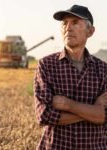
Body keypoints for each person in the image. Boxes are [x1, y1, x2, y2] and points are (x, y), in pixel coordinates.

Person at [34, 4, 107, 150]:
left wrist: (68, 105)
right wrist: (93, 110)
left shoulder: (104, 69)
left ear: (90, 31)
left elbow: (104, 116)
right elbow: (44, 115)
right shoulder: (47, 65)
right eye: (64, 23)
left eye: (75, 22)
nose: (68, 27)